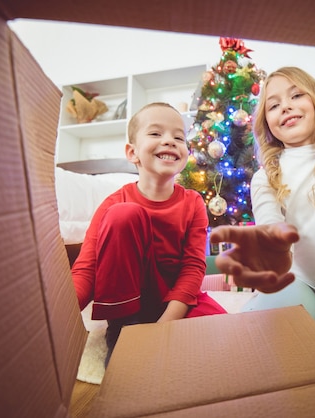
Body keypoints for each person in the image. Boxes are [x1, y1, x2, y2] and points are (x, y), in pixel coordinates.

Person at [210, 51, 315, 370]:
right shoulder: (265, 176)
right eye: (273, 104)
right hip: (300, 281)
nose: (285, 105)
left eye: (296, 95)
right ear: (268, 124)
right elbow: (269, 224)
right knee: (276, 339)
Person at [72, 102, 227, 366]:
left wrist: (165, 324)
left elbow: (192, 268)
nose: (169, 141)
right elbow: (87, 268)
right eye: (156, 134)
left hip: (176, 302)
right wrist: (56, 318)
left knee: (225, 340)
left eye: (178, 137)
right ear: (132, 153)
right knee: (123, 215)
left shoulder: (192, 203)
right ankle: (122, 330)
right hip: (129, 307)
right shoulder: (113, 203)